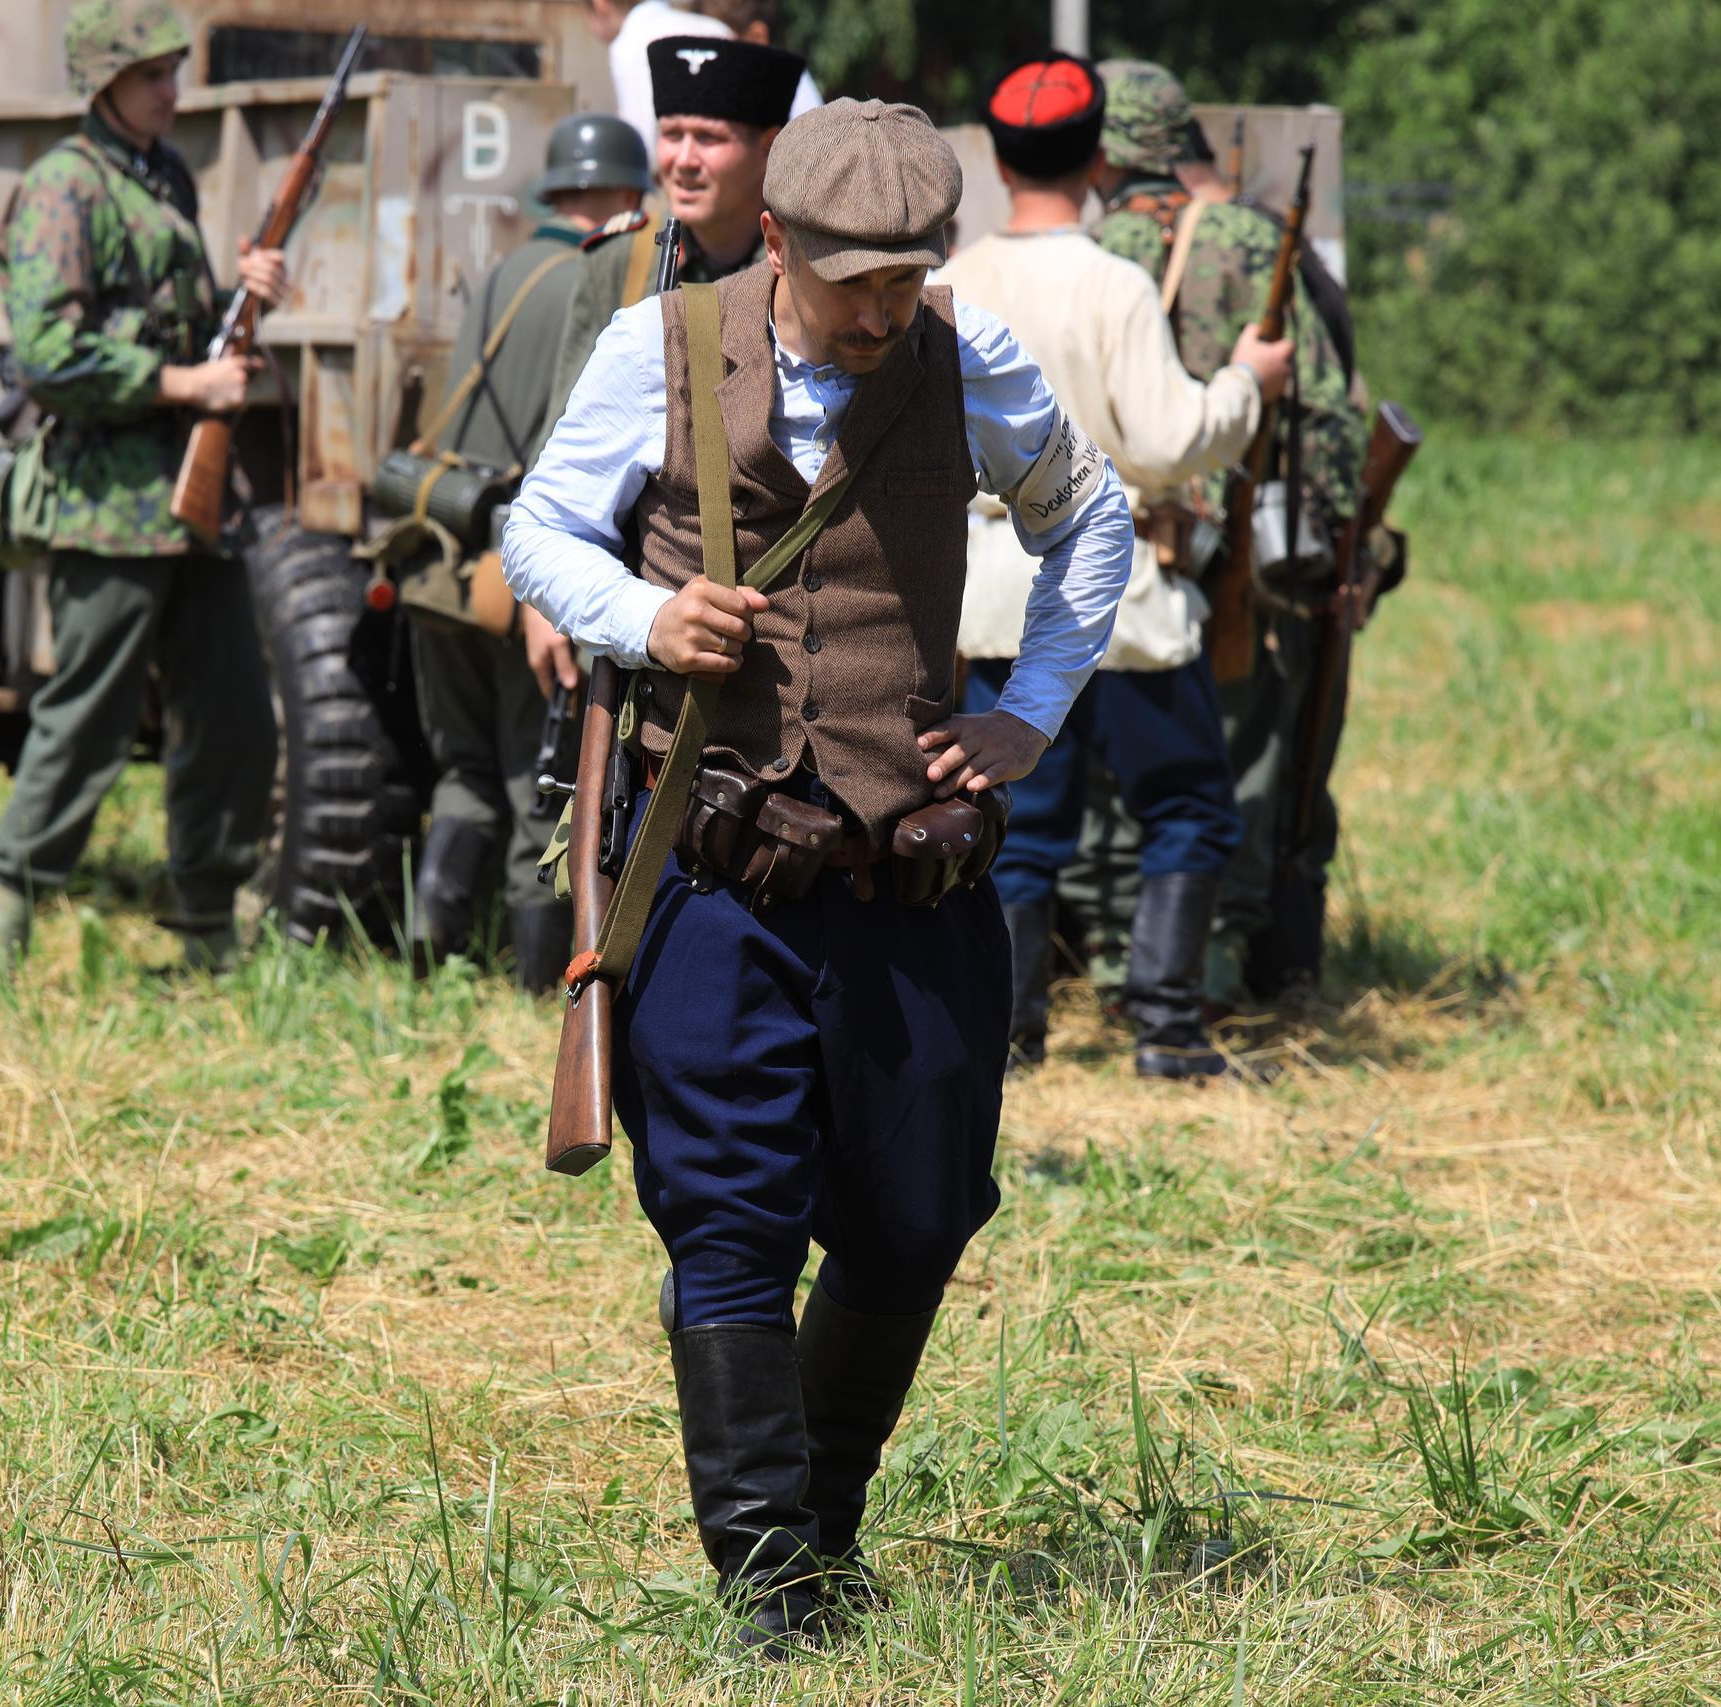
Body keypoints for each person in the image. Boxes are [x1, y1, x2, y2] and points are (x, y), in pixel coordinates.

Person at [504, 99, 1134, 1647]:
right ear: (776, 239)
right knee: (729, 1219)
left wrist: (1027, 711)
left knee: (918, 1217)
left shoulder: (965, 359)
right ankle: (775, 1576)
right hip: (716, 870)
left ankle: (823, 1516)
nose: (878, 312)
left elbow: (1092, 519)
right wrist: (642, 618)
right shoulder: (655, 347)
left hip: (910, 879)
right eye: (852, 279)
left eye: (904, 278)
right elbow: (538, 533)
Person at [942, 54, 1292, 1078]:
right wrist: (1245, 380)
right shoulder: (1113, 282)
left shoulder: (953, 280)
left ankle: (1005, 1034)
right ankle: (1168, 1030)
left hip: (994, 594)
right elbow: (1168, 441)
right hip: (1117, 591)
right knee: (1187, 807)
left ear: (998, 161)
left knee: (1017, 820)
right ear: (1100, 158)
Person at [0, 0, 290, 972]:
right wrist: (187, 382)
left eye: (172, 70)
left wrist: (243, 305)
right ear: (103, 80)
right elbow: (48, 354)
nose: (171, 89)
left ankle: (205, 930)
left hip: (193, 504)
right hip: (108, 505)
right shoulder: (65, 187)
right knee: (87, 722)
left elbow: (174, 324)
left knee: (232, 712)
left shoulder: (162, 176)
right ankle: (1, 931)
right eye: (151, 74)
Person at [1068, 60, 1369, 1007]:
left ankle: (1111, 954)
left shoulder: (1081, 250)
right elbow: (1326, 414)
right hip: (1244, 556)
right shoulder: (1250, 236)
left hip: (1108, 549)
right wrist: (1333, 552)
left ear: (1103, 153)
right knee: (1239, 763)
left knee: (1113, 777)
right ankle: (1216, 966)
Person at [405, 115, 650, 990]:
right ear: (627, 192)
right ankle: (533, 979)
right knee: (535, 775)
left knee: (463, 765)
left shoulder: (506, 268)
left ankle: (429, 942)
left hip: (443, 556)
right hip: (527, 574)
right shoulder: (604, 278)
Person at [537, 36, 806, 462]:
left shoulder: (803, 272)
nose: (683, 159)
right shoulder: (618, 261)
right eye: (671, 134)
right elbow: (567, 434)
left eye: (708, 137)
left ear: (768, 148)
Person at [582, 0, 822, 161]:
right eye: (674, 135)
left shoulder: (630, 42)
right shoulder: (677, 23)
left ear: (599, 4)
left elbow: (639, 147)